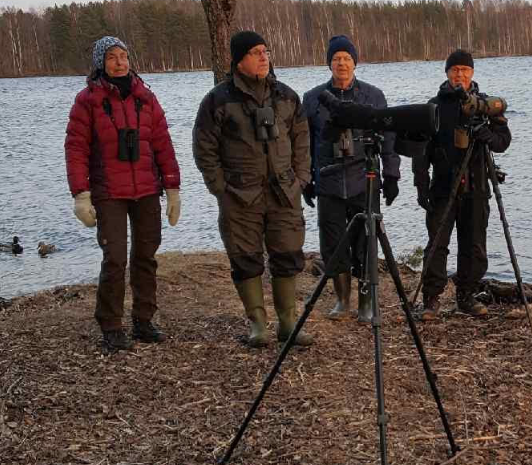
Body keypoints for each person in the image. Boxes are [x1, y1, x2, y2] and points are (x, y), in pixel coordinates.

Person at [192, 30, 313, 348]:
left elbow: (302, 138)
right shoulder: (219, 99)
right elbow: (204, 147)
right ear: (239, 60)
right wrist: (219, 187)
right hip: (239, 195)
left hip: (284, 192)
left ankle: (288, 323)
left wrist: (301, 178)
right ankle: (258, 325)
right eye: (255, 52)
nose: (263, 57)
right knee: (245, 259)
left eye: (265, 51)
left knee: (288, 255)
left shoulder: (286, 96)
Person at [65, 36, 181, 353]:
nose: (120, 62)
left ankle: (143, 320)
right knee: (115, 259)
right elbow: (75, 149)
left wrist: (172, 187)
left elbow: (163, 144)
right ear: (101, 63)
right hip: (109, 192)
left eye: (124, 56)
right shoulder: (87, 100)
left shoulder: (146, 98)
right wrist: (81, 194)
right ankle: (112, 325)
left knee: (146, 257)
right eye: (113, 57)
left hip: (146, 189)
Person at [302, 35, 400, 323]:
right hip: (329, 181)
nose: (341, 64)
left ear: (355, 62)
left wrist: (391, 174)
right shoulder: (313, 99)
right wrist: (306, 179)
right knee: (332, 242)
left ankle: (366, 302)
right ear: (329, 64)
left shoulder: (373, 96)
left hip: (364, 178)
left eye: (346, 58)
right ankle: (342, 301)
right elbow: (305, 142)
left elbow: (388, 139)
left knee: (366, 241)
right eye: (336, 59)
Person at [413, 50, 511, 320]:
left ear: (472, 73)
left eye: (464, 70)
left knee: (474, 245)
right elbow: (421, 152)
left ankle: (466, 296)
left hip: (477, 186)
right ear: (446, 73)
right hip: (443, 187)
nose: (460, 75)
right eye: (454, 70)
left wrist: (486, 134)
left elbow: (503, 142)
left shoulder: (485, 105)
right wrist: (421, 186)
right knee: (437, 245)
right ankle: (431, 299)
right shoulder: (434, 106)